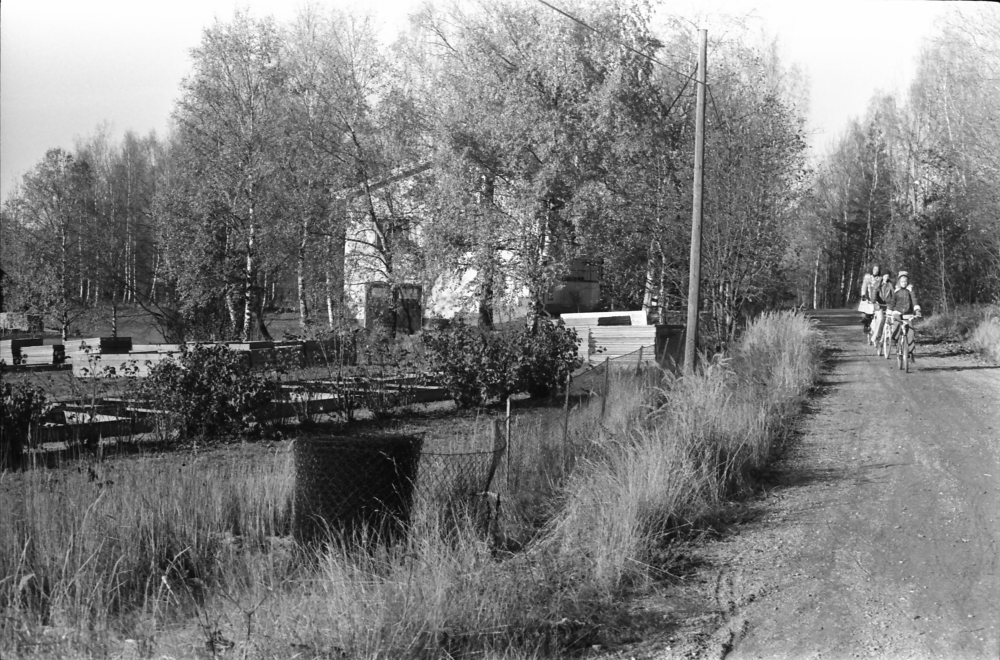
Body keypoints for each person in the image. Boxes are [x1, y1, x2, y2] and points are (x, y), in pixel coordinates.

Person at [887, 272, 921, 351]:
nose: (904, 283)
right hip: (897, 311)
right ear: (899, 282)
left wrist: (917, 310)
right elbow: (893, 302)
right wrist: (890, 310)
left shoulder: (910, 291)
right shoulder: (896, 291)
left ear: (908, 282)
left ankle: (910, 350)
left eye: (905, 281)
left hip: (908, 313)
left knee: (910, 331)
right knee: (897, 323)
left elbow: (914, 300)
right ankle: (894, 338)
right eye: (902, 281)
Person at [871, 271, 894, 347]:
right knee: (880, 319)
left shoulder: (891, 285)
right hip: (879, 304)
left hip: (888, 305)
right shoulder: (878, 284)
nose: (886, 277)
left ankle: (888, 336)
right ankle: (875, 336)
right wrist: (874, 302)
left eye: (888, 276)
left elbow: (894, 295)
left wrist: (894, 304)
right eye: (885, 276)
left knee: (891, 320)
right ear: (882, 276)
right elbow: (874, 293)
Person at [860, 264, 881, 337]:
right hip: (869, 296)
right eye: (875, 269)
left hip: (877, 298)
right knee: (868, 313)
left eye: (877, 270)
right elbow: (864, 286)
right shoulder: (868, 277)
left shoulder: (880, 278)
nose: (876, 271)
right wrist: (863, 294)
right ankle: (866, 325)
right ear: (872, 269)